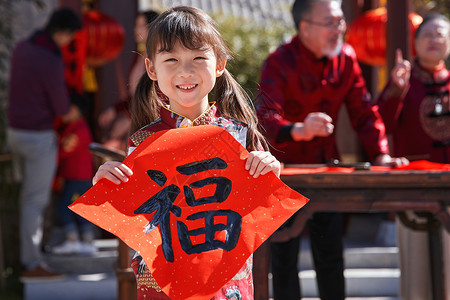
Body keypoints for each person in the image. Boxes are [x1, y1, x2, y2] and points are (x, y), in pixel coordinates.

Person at [92, 6, 281, 299]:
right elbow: (133, 224)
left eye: (198, 58)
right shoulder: (142, 143)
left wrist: (270, 175)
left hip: (225, 286)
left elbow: (257, 218)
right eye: (171, 59)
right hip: (164, 286)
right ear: (151, 69)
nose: (185, 71)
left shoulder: (239, 135)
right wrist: (105, 184)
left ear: (219, 64)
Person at [255, 0, 408, 299]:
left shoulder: (346, 59)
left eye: (340, 22)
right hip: (283, 174)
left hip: (326, 170)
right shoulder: (279, 61)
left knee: (331, 256)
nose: (339, 29)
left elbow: (363, 113)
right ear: (304, 27)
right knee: (283, 259)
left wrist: (381, 154)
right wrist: (298, 129)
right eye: (331, 23)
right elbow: (263, 118)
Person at [376, 14, 450, 300]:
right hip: (413, 185)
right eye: (428, 34)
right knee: (417, 267)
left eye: (441, 34)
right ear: (416, 42)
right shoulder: (402, 80)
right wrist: (395, 89)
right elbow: (380, 124)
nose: (435, 39)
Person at [7, 8, 82, 279]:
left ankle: (26, 259)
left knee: (24, 199)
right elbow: (61, 106)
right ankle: (31, 263)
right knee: (34, 203)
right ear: (63, 33)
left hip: (15, 132)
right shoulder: (49, 57)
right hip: (38, 136)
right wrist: (72, 112)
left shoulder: (22, 48)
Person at [98, 10, 160, 152]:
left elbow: (155, 97)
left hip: (150, 121)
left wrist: (129, 119)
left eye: (140, 25)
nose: (135, 30)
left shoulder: (159, 58)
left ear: (152, 28)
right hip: (136, 117)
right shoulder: (139, 56)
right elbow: (134, 93)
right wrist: (115, 110)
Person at [52, 104, 97, 255]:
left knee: (66, 207)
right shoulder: (77, 127)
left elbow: (64, 150)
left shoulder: (78, 129)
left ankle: (74, 241)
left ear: (76, 110)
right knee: (78, 208)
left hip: (77, 177)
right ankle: (86, 241)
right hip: (78, 176)